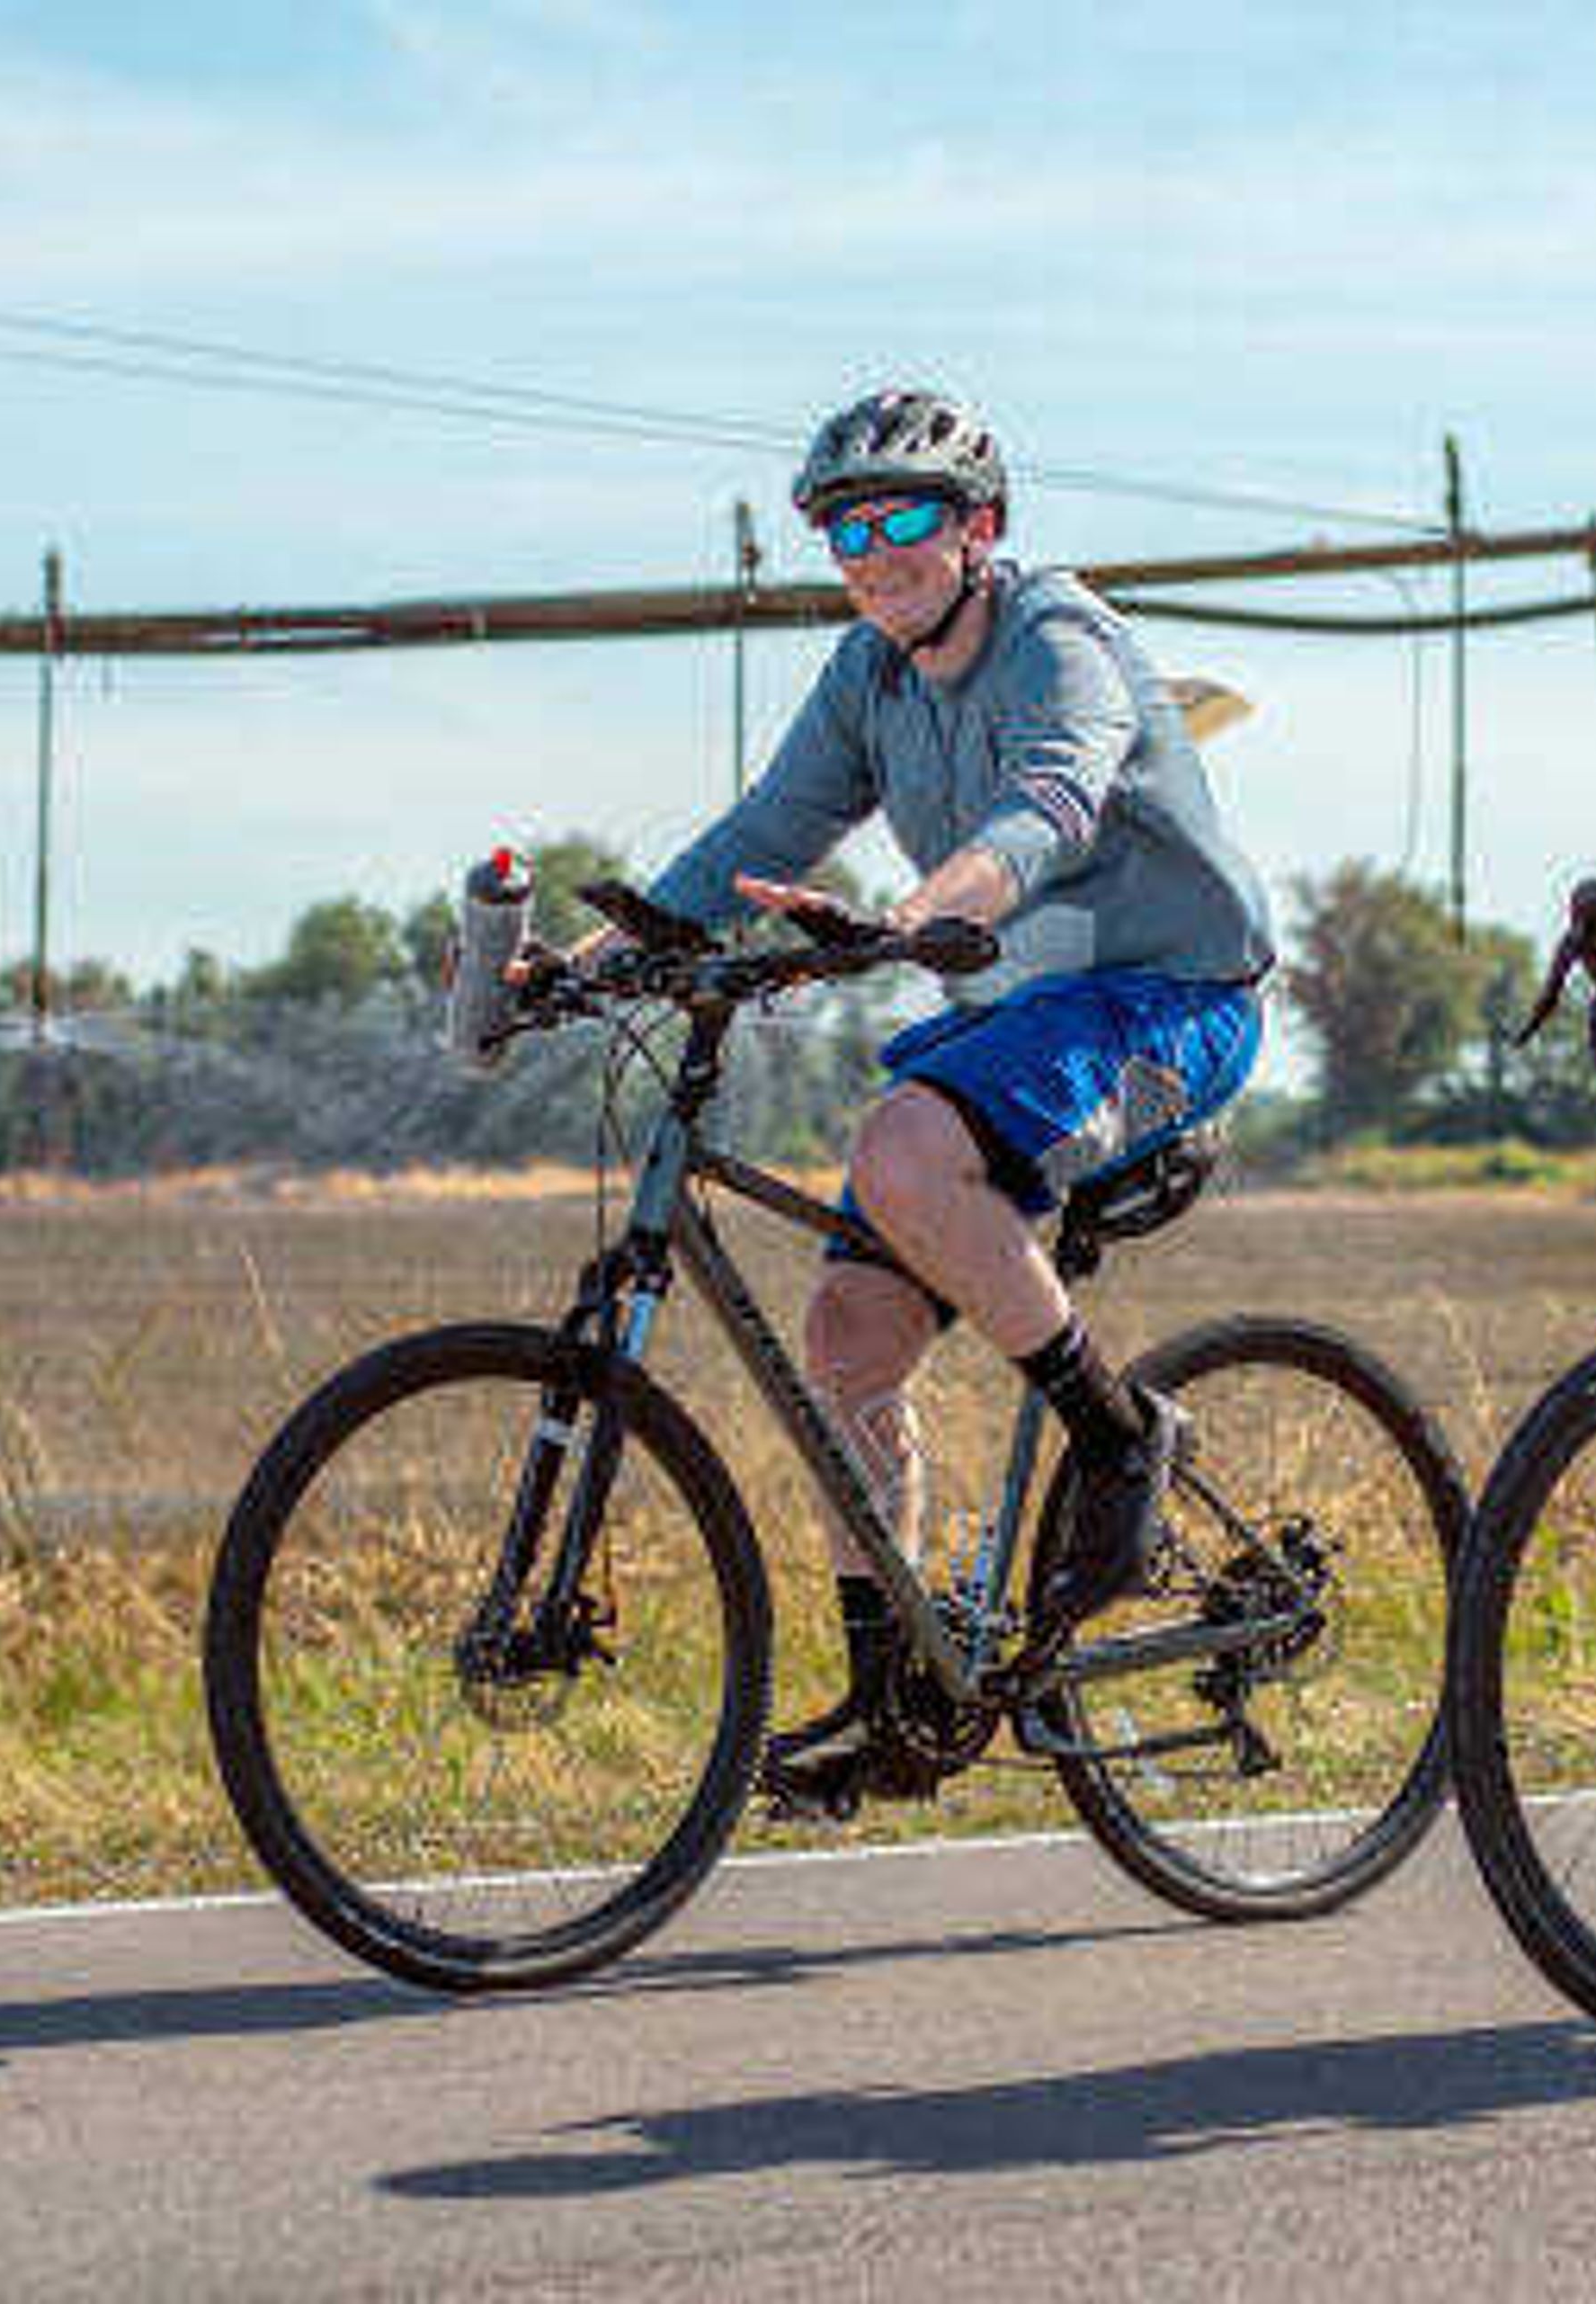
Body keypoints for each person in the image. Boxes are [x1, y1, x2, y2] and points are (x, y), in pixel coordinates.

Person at [611, 386, 1274, 1804]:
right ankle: (897, 1698)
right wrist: (589, 957)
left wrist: (917, 911)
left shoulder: (1059, 636)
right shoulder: (873, 674)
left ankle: (1121, 1435)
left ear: (980, 527)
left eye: (902, 513)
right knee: (848, 1336)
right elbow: (760, 831)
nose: (871, 547)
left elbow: (1050, 805)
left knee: (904, 1145)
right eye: (843, 525)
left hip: (1175, 996)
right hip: (1023, 1017)